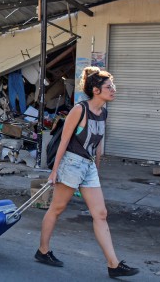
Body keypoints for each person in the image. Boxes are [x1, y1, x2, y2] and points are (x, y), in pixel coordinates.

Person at [35, 66, 139, 278]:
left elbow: (98, 144)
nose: (114, 90)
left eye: (113, 86)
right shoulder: (79, 110)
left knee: (100, 214)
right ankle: (43, 250)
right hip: (71, 163)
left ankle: (113, 264)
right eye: (109, 87)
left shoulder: (103, 113)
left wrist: (96, 169)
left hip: (88, 166)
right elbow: (64, 141)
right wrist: (54, 171)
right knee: (57, 208)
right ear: (96, 90)